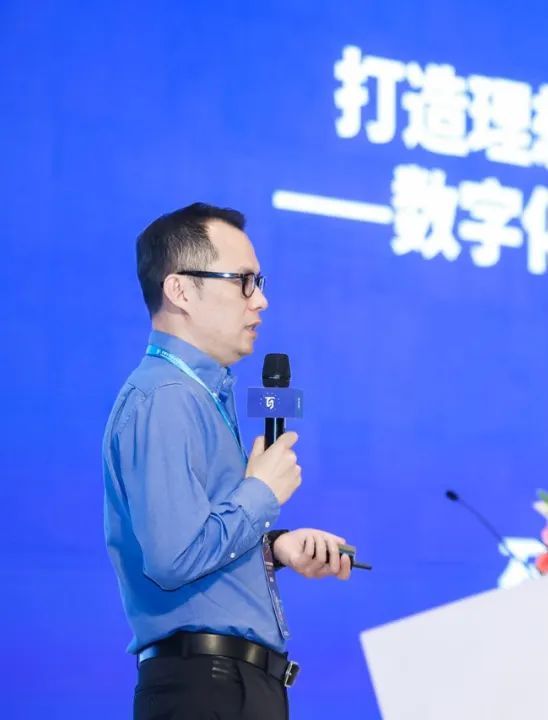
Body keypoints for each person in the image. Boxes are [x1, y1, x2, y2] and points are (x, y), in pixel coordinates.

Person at [103, 202, 351, 719]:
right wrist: (261, 493)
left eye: (258, 281)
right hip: (206, 688)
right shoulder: (165, 396)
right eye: (242, 281)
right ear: (180, 290)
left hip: (233, 685)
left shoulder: (197, 393)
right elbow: (173, 559)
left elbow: (197, 534)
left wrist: (274, 547)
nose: (260, 300)